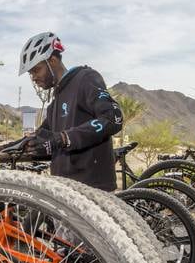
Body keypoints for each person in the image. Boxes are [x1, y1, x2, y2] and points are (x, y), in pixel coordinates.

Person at [7, 32, 123, 191]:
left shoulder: (85, 78)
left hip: (92, 189)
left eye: (36, 70)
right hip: (65, 192)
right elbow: (38, 137)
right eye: (31, 73)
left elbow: (113, 118)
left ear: (52, 61)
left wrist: (62, 138)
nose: (33, 77)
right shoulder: (55, 103)